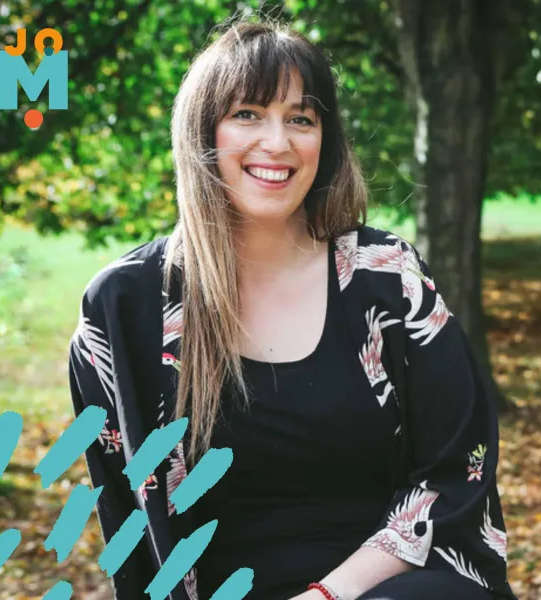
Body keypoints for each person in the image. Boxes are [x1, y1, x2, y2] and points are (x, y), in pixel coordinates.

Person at [68, 20, 515, 600]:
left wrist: (327, 595)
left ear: (324, 142)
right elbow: (129, 524)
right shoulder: (124, 307)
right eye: (248, 114)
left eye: (301, 119)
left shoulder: (385, 279)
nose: (277, 142)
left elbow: (457, 472)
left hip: (387, 589)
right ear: (202, 132)